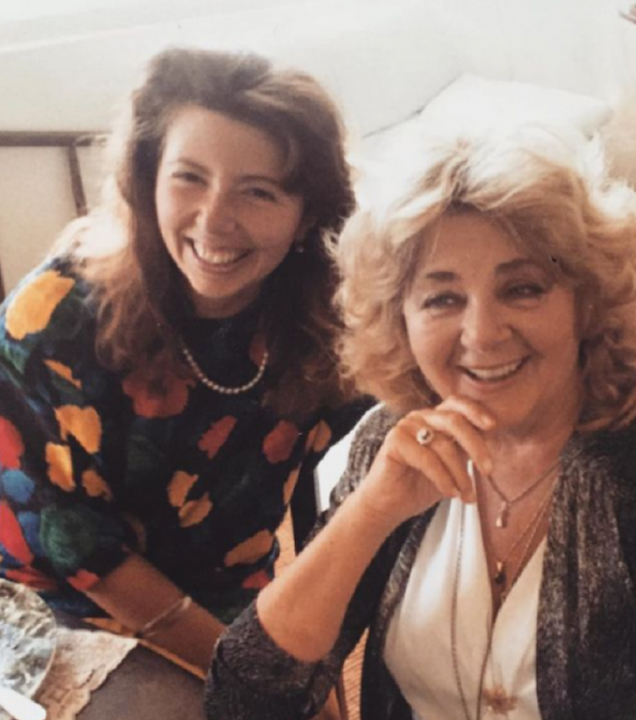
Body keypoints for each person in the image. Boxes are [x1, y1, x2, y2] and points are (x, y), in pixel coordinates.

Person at [205, 132, 636, 719]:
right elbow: (243, 700)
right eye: (442, 299)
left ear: (588, 302)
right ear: (400, 319)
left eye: (522, 289)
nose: (482, 334)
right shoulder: (394, 443)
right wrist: (370, 512)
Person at [0, 47, 371, 672]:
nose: (215, 220)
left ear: (307, 215)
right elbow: (83, 552)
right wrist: (249, 674)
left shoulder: (325, 310)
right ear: (148, 179)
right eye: (189, 178)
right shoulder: (53, 321)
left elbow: (411, 390)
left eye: (258, 192)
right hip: (70, 613)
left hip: (234, 592)